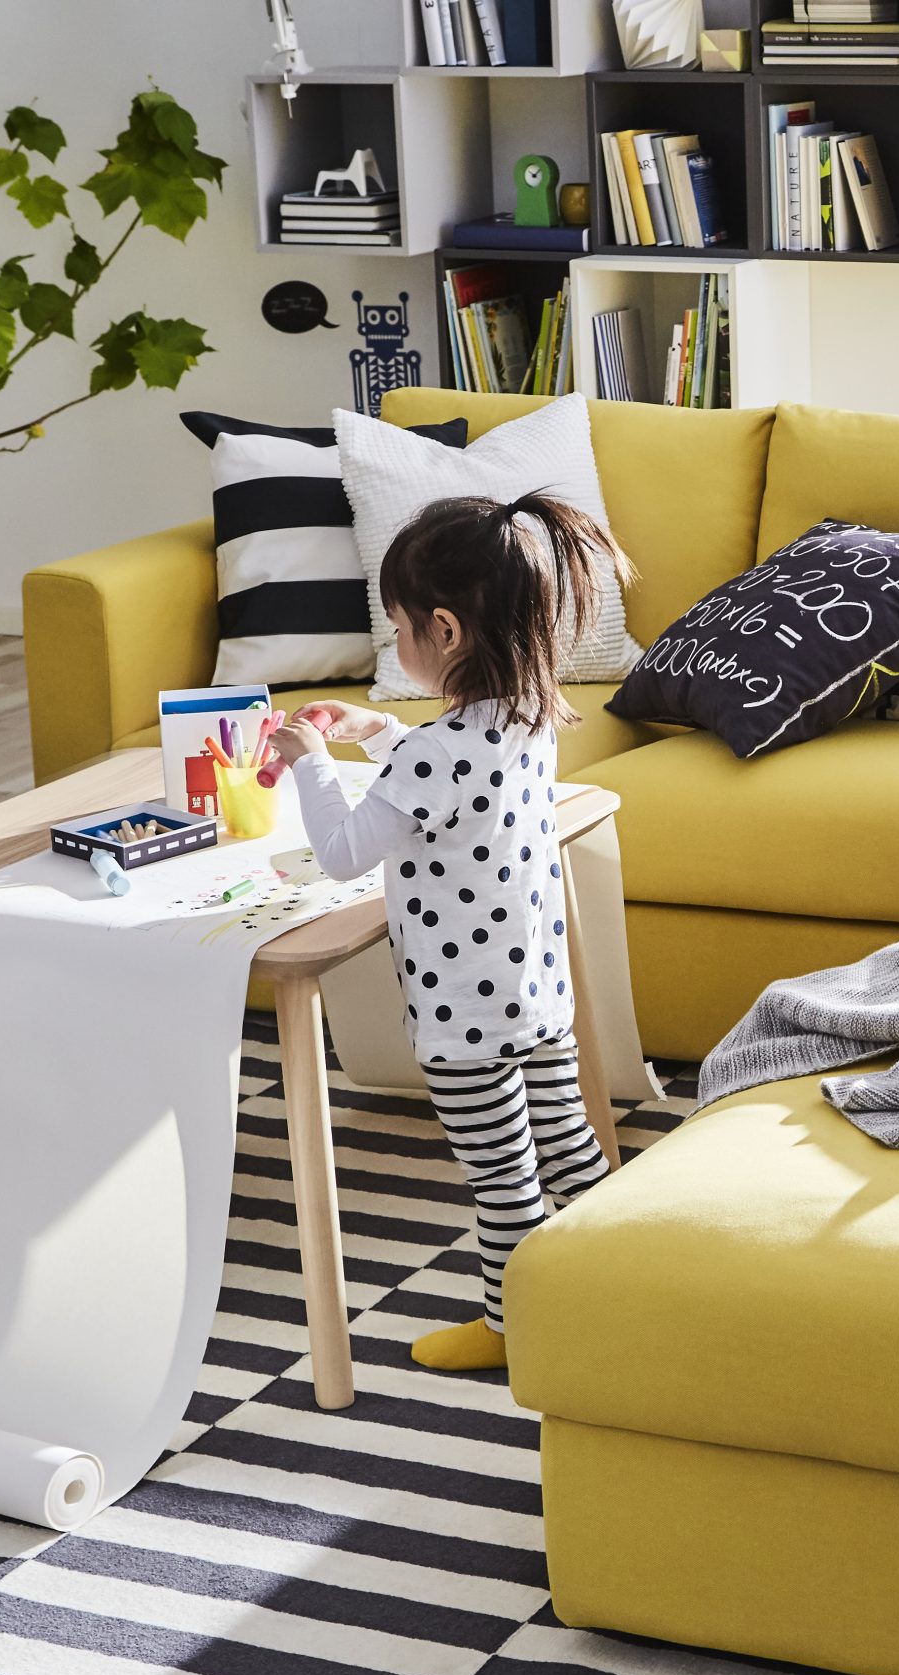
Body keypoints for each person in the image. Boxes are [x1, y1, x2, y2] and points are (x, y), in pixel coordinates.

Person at [271, 493, 631, 1375]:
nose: (391, 645)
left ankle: (512, 1332)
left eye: (396, 627)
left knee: (504, 1178)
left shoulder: (436, 757)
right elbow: (446, 772)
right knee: (573, 1151)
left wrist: (315, 766)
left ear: (443, 630)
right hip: (537, 995)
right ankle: (617, 1290)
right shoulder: (530, 716)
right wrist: (377, 730)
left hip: (465, 1020)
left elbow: (346, 851)